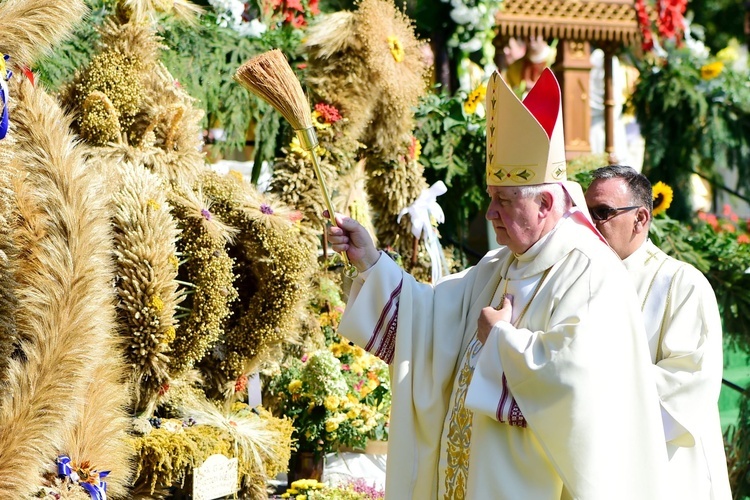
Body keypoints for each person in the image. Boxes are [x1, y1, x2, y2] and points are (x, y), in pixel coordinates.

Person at [328, 68, 668, 499]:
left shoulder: (592, 274)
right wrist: (370, 261)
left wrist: (502, 341)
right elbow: (428, 319)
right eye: (491, 197)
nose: (490, 214)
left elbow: (580, 389)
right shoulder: (499, 264)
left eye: (503, 200)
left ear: (545, 203)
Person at [585, 165, 732, 500]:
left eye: (603, 212)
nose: (590, 223)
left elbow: (687, 385)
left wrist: (589, 377)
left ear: (641, 218)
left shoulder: (681, 283)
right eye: (586, 212)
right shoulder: (581, 280)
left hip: (667, 471)